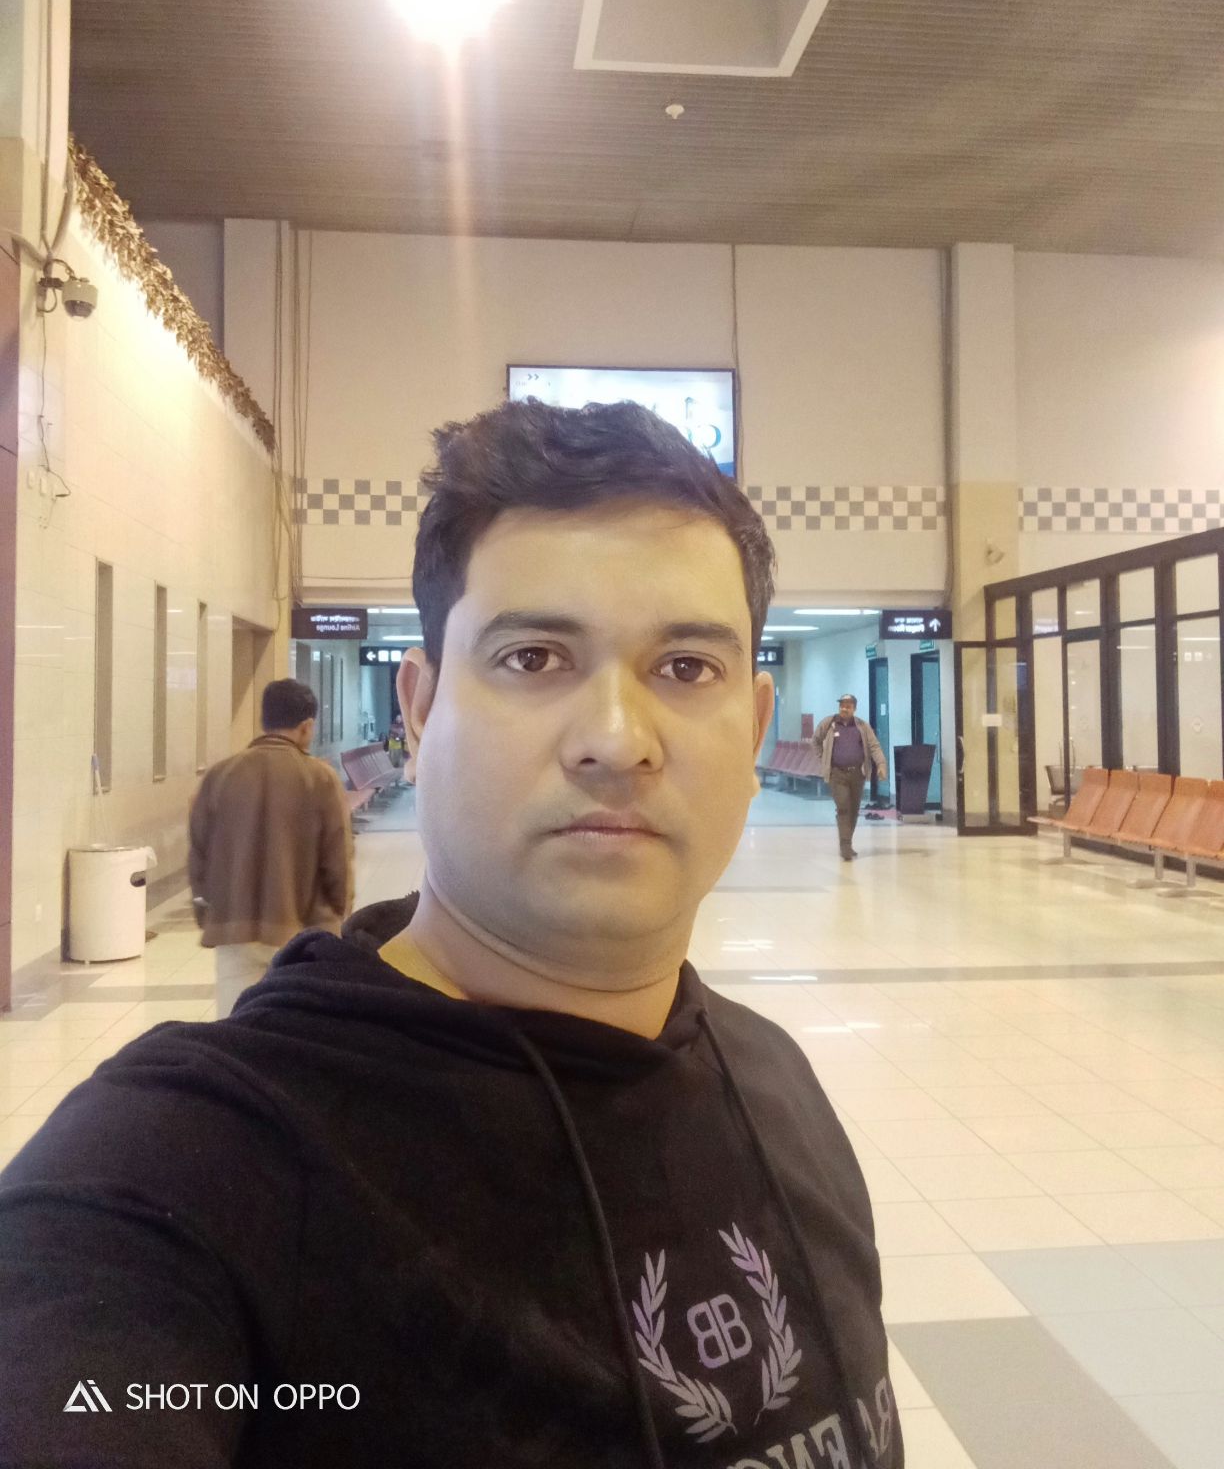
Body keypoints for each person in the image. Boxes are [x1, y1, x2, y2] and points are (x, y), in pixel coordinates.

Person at [0, 402, 901, 1468]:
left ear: (753, 729)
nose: (618, 740)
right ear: (420, 710)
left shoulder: (778, 1083)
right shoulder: (181, 1171)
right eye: (534, 656)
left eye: (686, 669)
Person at [188, 677, 355, 1015]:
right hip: (302, 929)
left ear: (264, 720)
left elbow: (198, 856)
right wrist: (340, 914)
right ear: (307, 726)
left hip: (234, 927)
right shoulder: (320, 778)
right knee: (294, 1025)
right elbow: (337, 859)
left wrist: (207, 911)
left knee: (238, 1021)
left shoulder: (220, 775)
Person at [814, 695, 888, 862]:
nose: (844, 709)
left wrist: (881, 764)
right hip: (837, 774)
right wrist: (823, 759)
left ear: (854, 708)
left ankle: (848, 842)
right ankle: (845, 846)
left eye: (848, 706)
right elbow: (816, 741)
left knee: (854, 811)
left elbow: (874, 746)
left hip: (857, 774)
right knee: (843, 807)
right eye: (842, 705)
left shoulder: (862, 726)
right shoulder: (829, 724)